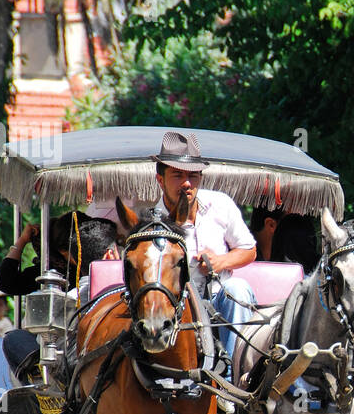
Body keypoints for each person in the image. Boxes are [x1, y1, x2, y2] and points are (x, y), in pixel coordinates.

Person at [88, 131, 258, 360]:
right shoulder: (149, 223)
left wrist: (221, 261)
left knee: (238, 288)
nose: (187, 183)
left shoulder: (222, 205)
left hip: (218, 303)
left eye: (193, 176)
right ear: (160, 180)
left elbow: (249, 249)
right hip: (172, 304)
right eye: (177, 175)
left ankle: (232, 374)